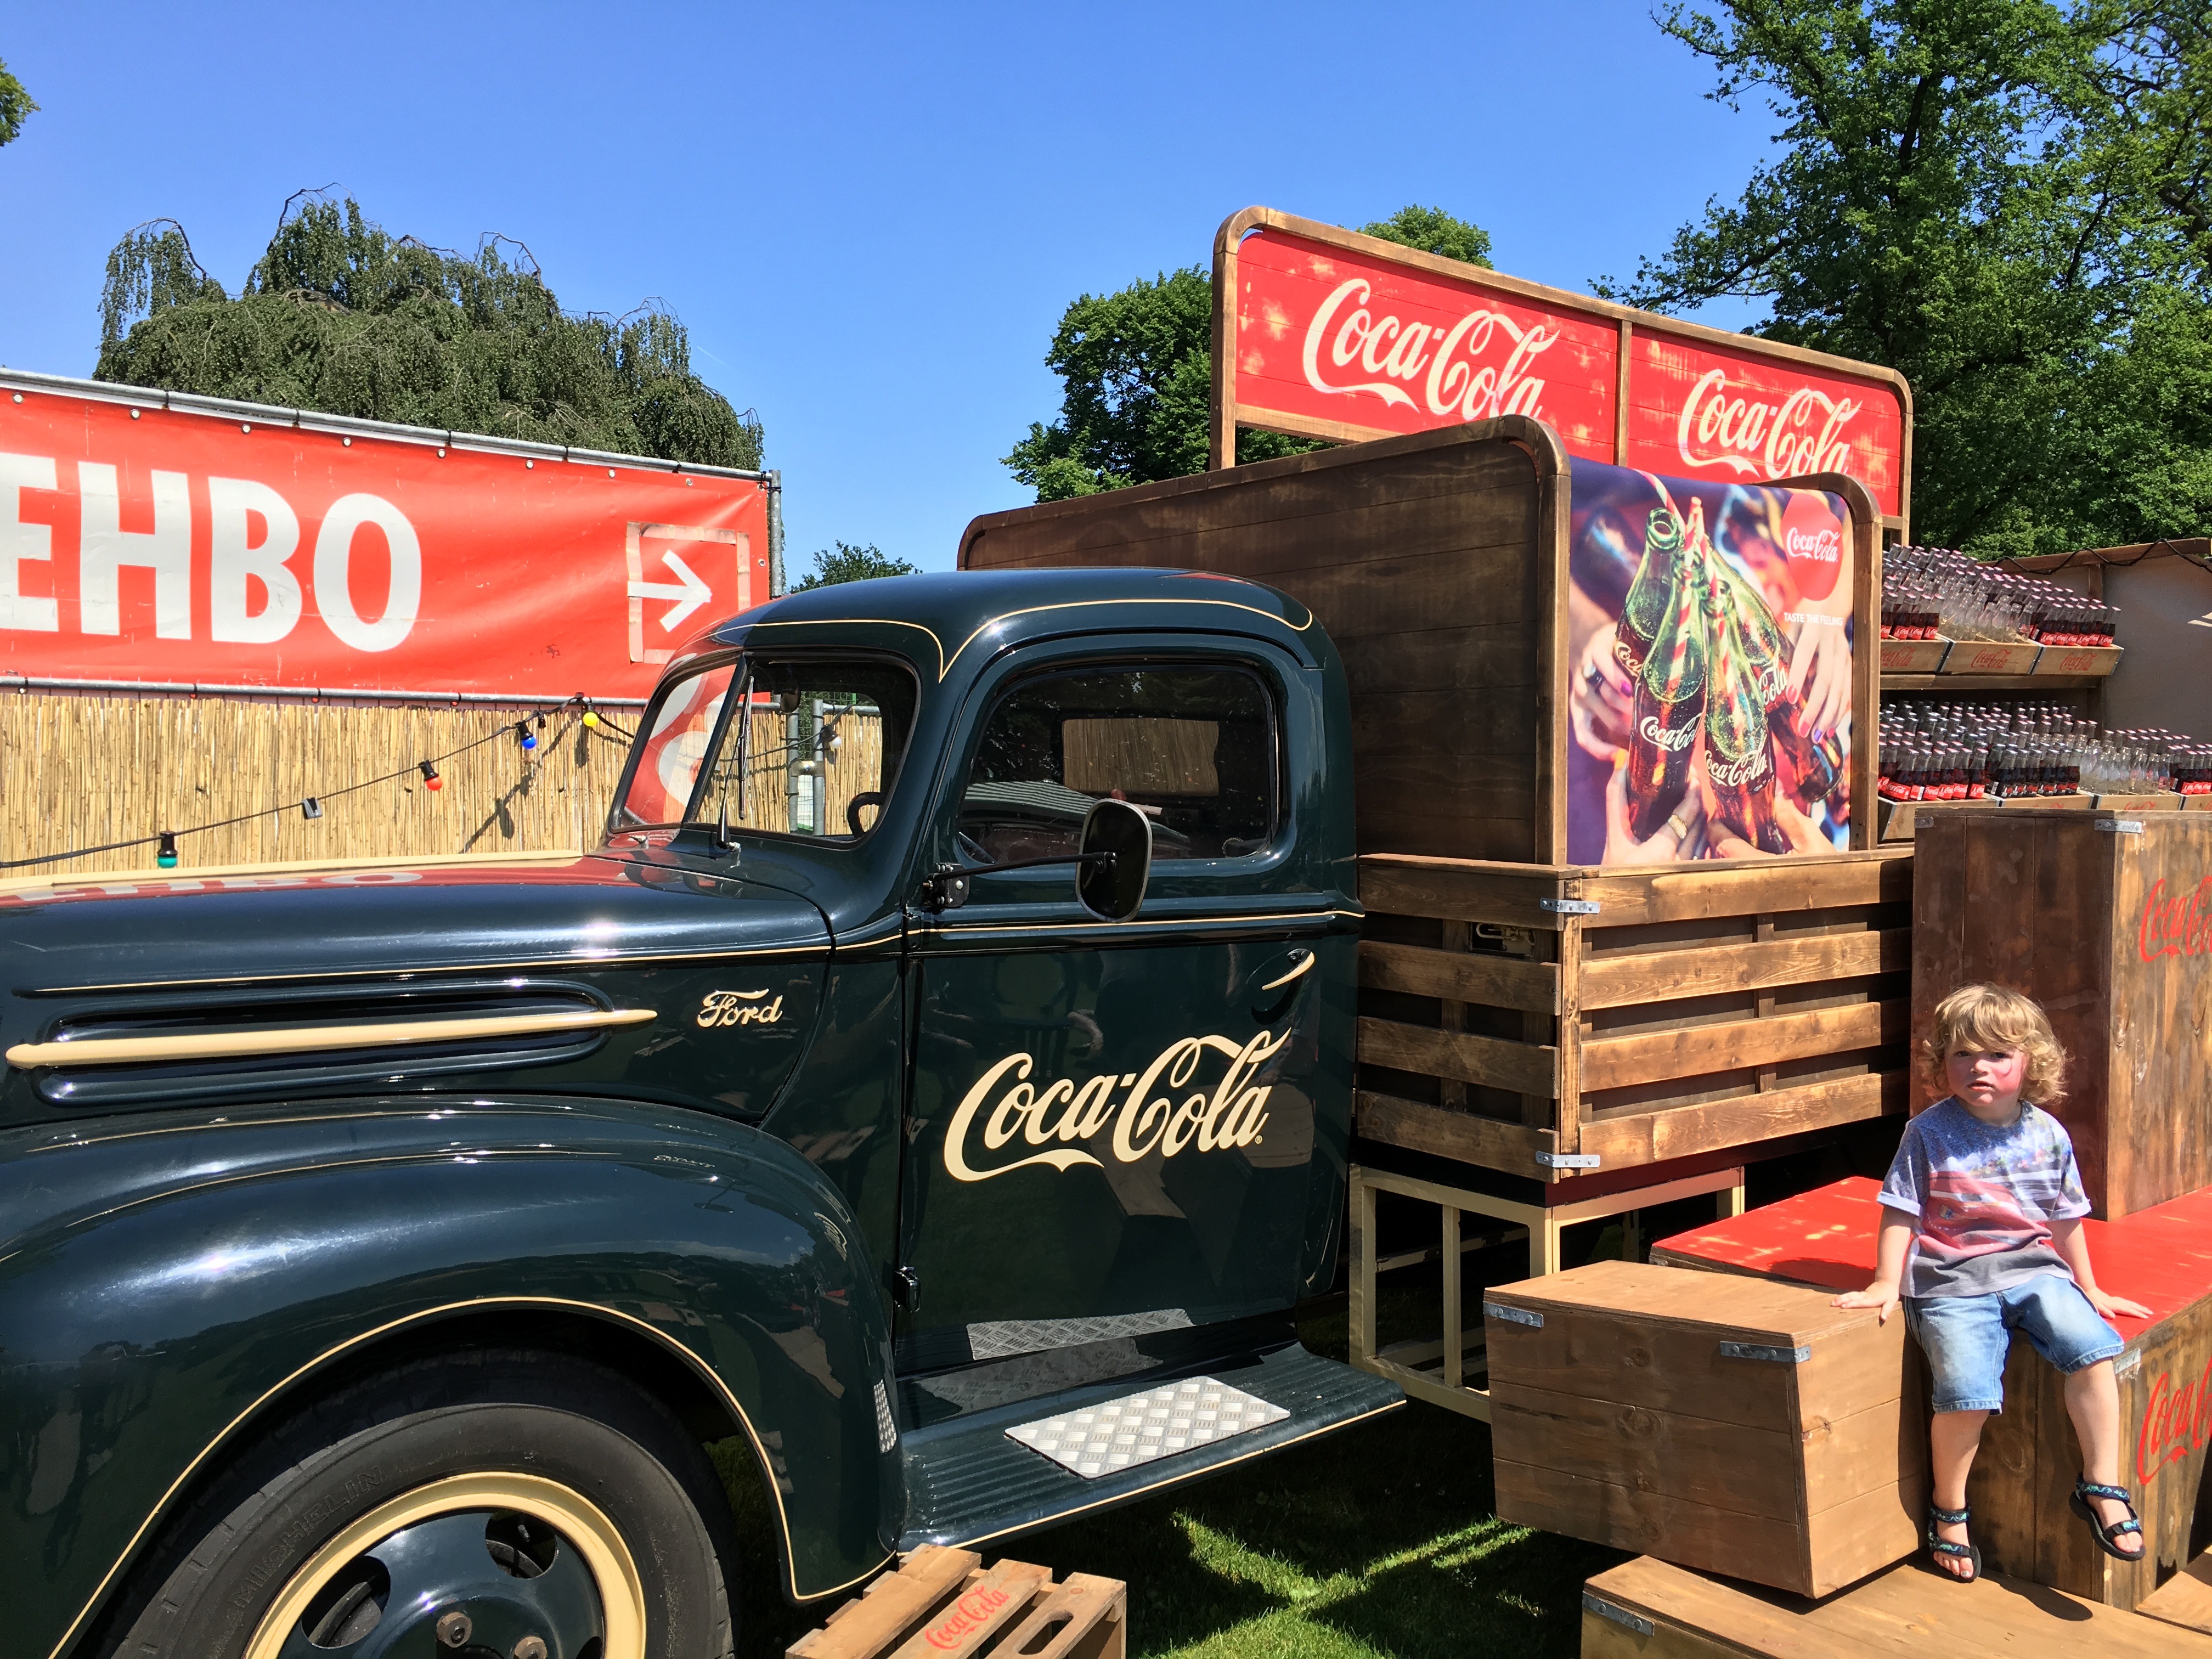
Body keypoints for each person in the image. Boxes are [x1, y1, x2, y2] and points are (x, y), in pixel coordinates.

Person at [1833, 984, 2152, 1583]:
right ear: (1940, 1064)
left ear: (2031, 1062)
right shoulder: (1926, 1133)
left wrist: (2092, 1288)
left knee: (2094, 1352)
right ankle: (1949, 1510)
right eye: (1962, 1054)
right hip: (1951, 1282)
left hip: (2034, 1272)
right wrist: (1884, 1281)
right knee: (1967, 1395)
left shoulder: (2048, 1134)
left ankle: (2102, 1483)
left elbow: (2064, 1220)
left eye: (1998, 1055)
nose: (1979, 1067)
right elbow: (1901, 1211)